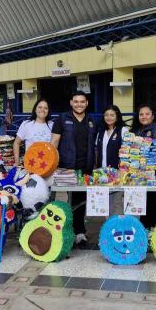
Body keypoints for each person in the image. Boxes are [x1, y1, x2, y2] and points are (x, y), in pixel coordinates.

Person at [51, 91, 96, 246]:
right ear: (71, 102)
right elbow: (54, 142)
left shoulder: (91, 120)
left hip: (85, 168)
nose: (79, 104)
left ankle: (79, 231)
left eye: (82, 101)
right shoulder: (62, 119)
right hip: (67, 168)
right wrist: (52, 164)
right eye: (76, 101)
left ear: (87, 103)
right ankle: (63, 229)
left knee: (81, 200)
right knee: (65, 199)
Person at [131, 104, 156, 228]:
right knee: (141, 200)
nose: (144, 116)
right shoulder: (136, 130)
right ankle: (143, 227)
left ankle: (150, 228)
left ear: (152, 116)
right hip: (138, 173)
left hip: (153, 172)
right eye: (141, 114)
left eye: (147, 114)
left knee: (150, 199)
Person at [13, 98, 53, 166]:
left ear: (48, 111)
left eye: (45, 108)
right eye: (40, 107)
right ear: (35, 109)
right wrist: (17, 162)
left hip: (47, 165)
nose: (42, 110)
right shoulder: (26, 124)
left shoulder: (52, 125)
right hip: (31, 164)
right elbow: (16, 143)